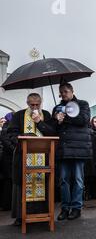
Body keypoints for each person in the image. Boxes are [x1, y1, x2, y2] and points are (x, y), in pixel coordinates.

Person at [6, 94, 56, 225]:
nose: (34, 107)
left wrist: (39, 122)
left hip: (43, 158)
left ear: (41, 103)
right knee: (22, 185)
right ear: (27, 103)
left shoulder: (46, 114)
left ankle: (40, 214)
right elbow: (11, 133)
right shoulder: (19, 115)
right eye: (32, 104)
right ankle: (20, 216)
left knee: (42, 183)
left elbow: (52, 132)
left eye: (37, 104)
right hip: (23, 156)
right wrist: (22, 138)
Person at [52, 83, 92, 221]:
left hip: (79, 148)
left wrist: (66, 118)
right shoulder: (57, 108)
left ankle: (76, 208)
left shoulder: (83, 104)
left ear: (72, 91)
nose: (63, 94)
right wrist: (56, 120)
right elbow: (53, 128)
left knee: (78, 180)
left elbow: (83, 120)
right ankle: (65, 208)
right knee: (63, 180)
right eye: (61, 92)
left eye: (66, 91)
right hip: (63, 149)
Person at [0, 113, 13, 211]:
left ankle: (8, 204)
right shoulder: (5, 130)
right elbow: (8, 145)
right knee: (8, 180)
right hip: (7, 160)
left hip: (9, 159)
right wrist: (16, 150)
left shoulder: (7, 129)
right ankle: (6, 204)